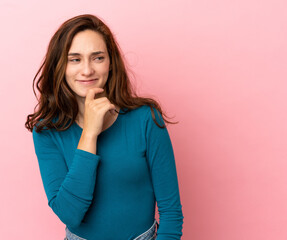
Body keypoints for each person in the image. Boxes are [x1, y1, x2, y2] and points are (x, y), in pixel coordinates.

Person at [25, 14, 183, 240]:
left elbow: (171, 213)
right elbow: (70, 213)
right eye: (75, 59)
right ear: (60, 66)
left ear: (110, 63)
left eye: (97, 57)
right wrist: (89, 133)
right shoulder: (47, 131)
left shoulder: (145, 119)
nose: (87, 70)